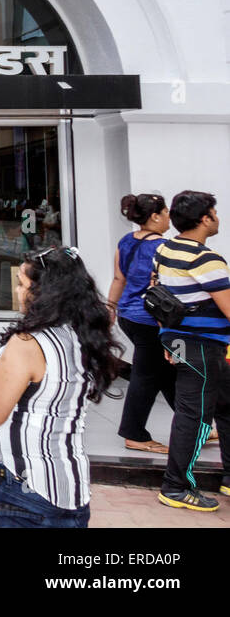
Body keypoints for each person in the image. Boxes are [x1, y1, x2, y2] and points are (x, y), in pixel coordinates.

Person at [0, 246, 123, 527]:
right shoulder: (82, 335)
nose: (16, 292)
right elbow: (42, 388)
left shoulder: (28, 342)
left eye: (21, 285)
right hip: (70, 489)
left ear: (45, 291)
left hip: (17, 489)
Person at [152, 190, 230, 511]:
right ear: (204, 219)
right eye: (214, 212)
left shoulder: (164, 248)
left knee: (226, 405)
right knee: (194, 416)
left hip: (183, 343)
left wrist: (168, 339)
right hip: (204, 347)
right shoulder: (206, 259)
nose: (218, 217)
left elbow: (156, 296)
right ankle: (176, 486)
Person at [107, 193, 176, 454]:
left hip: (128, 315)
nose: (169, 217)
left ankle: (197, 424)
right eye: (166, 212)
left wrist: (111, 308)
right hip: (151, 320)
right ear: (155, 216)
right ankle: (134, 433)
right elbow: (163, 288)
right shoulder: (164, 247)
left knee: (169, 372)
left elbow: (118, 279)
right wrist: (165, 326)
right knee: (146, 376)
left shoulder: (126, 241)